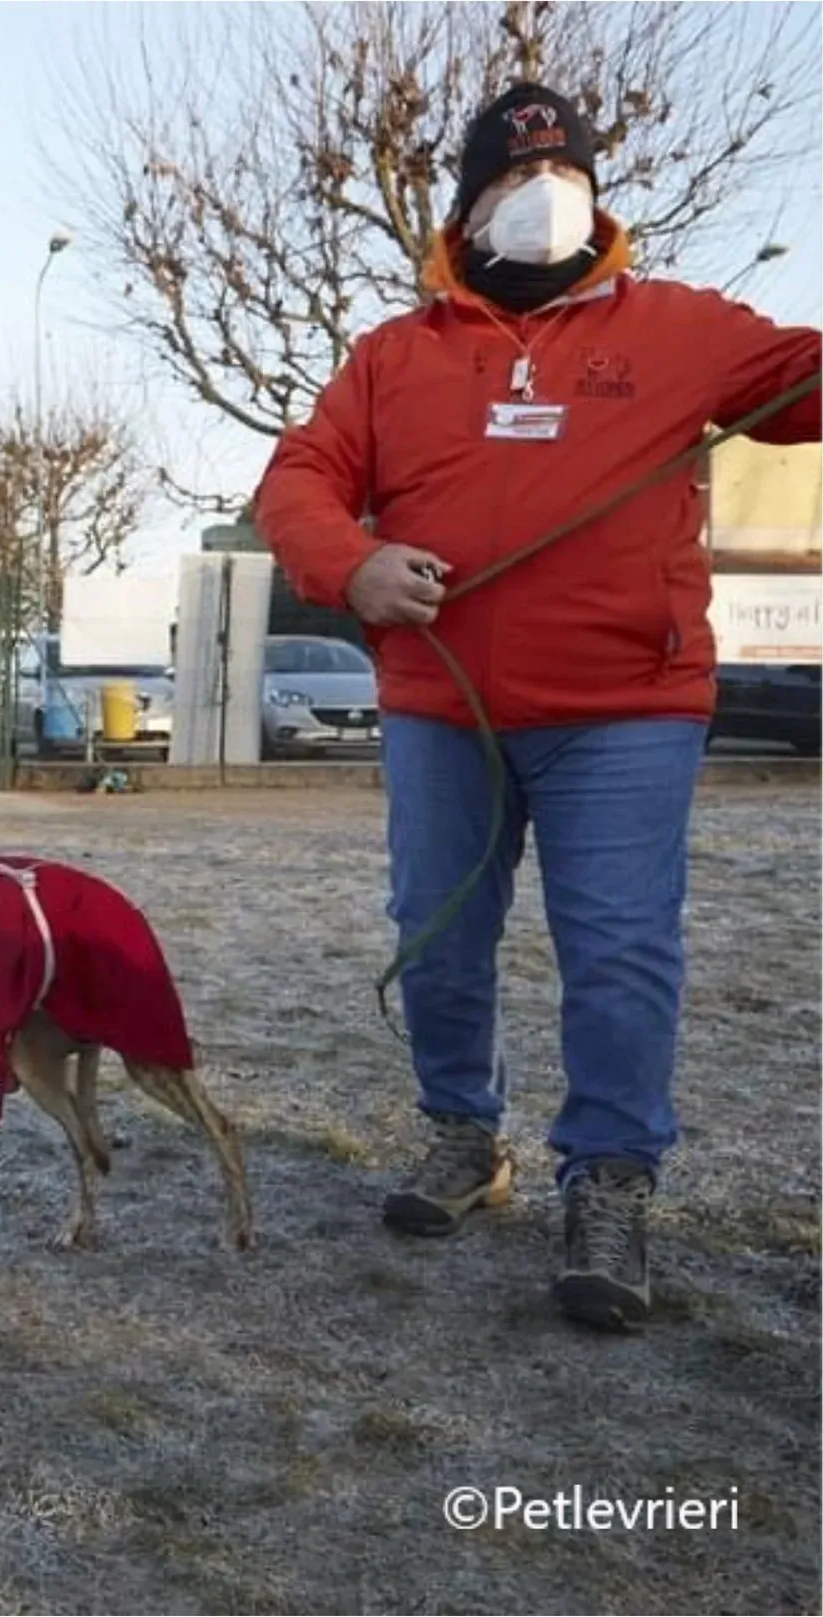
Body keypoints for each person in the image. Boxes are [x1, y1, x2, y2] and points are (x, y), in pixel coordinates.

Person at [255, 82, 819, 1330]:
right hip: (439, 707)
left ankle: (608, 1179)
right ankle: (465, 1136)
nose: (543, 192)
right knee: (437, 934)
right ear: (469, 203)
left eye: (562, 169)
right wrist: (348, 564)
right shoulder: (392, 355)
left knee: (618, 948)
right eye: (513, 177)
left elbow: (804, 385)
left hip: (627, 705)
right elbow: (296, 477)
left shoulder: (680, 328)